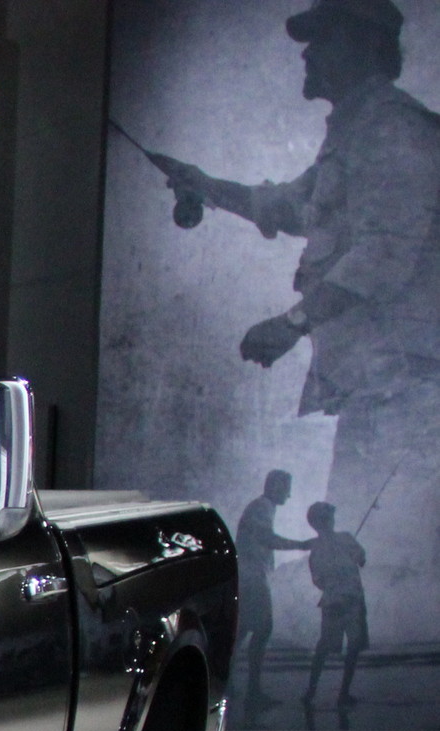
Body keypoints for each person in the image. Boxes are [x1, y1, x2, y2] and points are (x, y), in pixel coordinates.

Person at [145, 0, 440, 645]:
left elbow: (386, 252)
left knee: (390, 550)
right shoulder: (358, 130)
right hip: (379, 386)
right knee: (366, 539)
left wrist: (292, 322)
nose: (306, 56)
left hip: (412, 388)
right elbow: (297, 205)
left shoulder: (393, 130)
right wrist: (205, 185)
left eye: (320, 42)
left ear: (359, 48)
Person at [233, 469, 313, 706]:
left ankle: (226, 684)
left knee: (243, 631)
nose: (289, 495)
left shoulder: (262, 507)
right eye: (287, 488)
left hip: (248, 576)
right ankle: (252, 692)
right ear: (275, 486)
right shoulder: (262, 507)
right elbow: (268, 539)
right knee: (263, 629)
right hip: (251, 577)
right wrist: (301, 544)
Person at [300, 499, 370, 706]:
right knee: (354, 646)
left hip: (331, 602)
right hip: (353, 600)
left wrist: (332, 587)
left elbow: (317, 580)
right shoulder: (346, 538)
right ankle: (343, 694)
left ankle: (310, 692)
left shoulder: (315, 549)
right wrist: (357, 555)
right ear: (329, 520)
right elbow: (362, 560)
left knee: (323, 647)